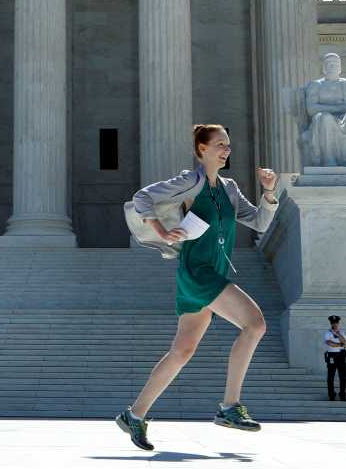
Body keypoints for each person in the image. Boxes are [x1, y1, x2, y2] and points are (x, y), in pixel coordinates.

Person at [116, 124, 280, 450]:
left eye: (228, 145)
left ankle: (134, 415)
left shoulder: (230, 188)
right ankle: (230, 406)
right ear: (201, 149)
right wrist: (161, 231)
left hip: (210, 271)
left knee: (183, 350)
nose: (226, 150)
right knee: (255, 324)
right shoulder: (192, 181)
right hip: (199, 271)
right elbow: (142, 198)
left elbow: (259, 222)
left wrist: (270, 193)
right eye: (219, 144)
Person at [324, 315, 346, 401]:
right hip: (332, 355)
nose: (334, 324)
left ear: (338, 323)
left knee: (342, 376)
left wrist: (338, 334)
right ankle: (331, 395)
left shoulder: (341, 332)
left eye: (336, 323)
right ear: (330, 323)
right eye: (333, 323)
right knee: (331, 377)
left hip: (341, 355)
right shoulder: (328, 333)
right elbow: (330, 343)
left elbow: (345, 341)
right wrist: (341, 344)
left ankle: (342, 394)